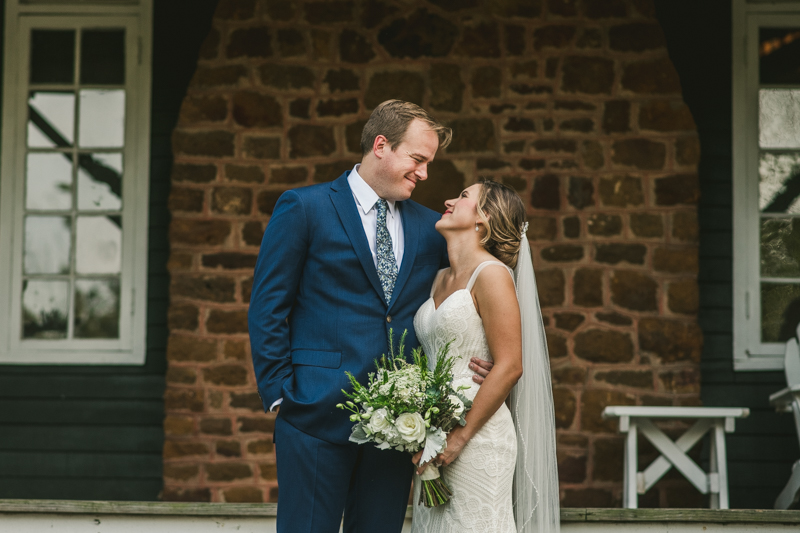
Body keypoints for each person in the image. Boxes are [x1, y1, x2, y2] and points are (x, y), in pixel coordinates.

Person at [248, 100, 492, 533]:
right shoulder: (304, 208)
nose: (425, 174)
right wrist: (283, 394)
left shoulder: (429, 226)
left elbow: (468, 289)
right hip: (313, 414)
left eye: (428, 163)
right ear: (381, 146)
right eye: (417, 160)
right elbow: (268, 307)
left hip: (400, 427)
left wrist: (481, 353)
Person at [411, 180, 560, 533]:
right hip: (435, 433)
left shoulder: (492, 275)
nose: (448, 199)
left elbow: (510, 366)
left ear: (483, 219)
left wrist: (458, 438)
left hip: (476, 436)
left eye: (462, 196)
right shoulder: (438, 279)